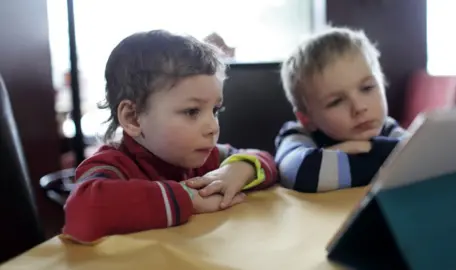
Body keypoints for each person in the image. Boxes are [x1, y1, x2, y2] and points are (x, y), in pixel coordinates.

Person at [62, 30, 277, 243]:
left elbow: (265, 159)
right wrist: (188, 198)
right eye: (192, 111)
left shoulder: (207, 159)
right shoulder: (113, 166)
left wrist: (239, 169)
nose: (213, 127)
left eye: (215, 110)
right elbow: (82, 209)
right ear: (133, 118)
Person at [275, 27, 408, 193]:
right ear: (307, 120)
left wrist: (364, 149)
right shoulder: (297, 133)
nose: (359, 108)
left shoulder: (387, 127)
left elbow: (420, 157)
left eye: (367, 88)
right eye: (336, 102)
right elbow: (300, 172)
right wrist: (385, 155)